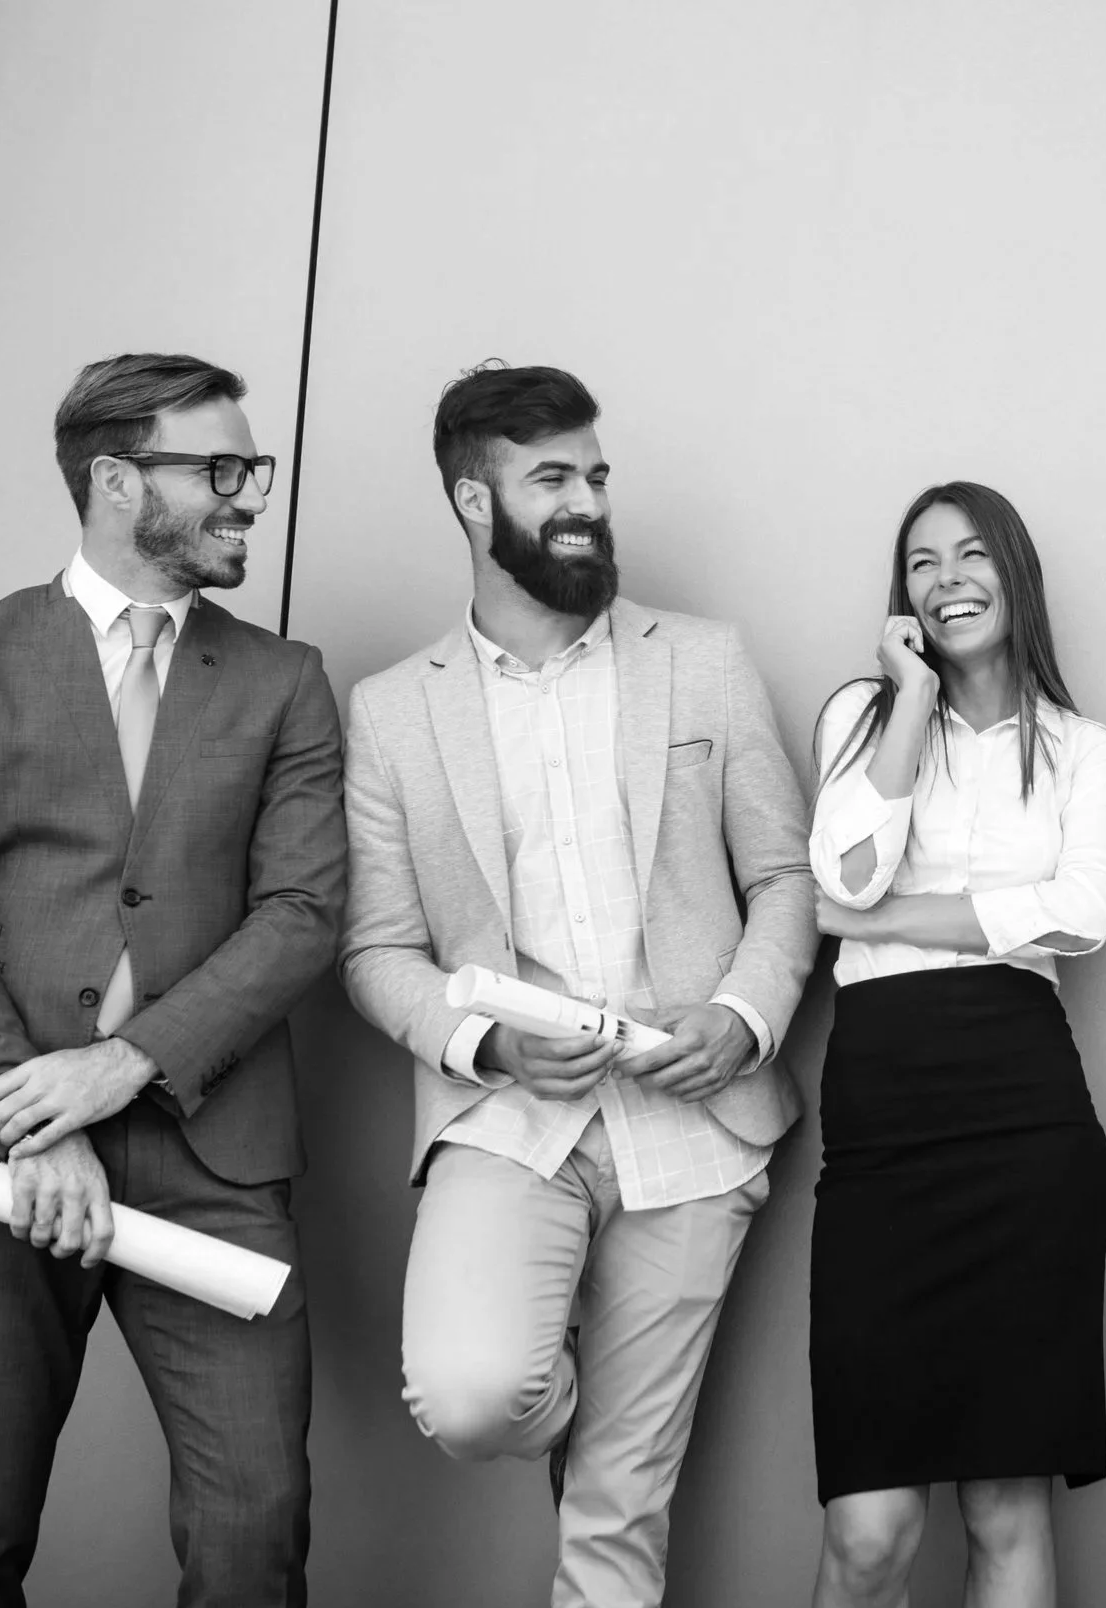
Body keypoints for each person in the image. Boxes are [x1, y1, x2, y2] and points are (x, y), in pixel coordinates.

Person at [0, 353, 344, 1606]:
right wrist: (34, 1114)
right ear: (120, 481)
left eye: (254, 469)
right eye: (221, 469)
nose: (249, 494)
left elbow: (302, 913)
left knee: (257, 1541)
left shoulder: (285, 680)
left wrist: (118, 1069)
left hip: (214, 1151)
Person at [338, 364, 816, 1608]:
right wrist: (484, 1048)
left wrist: (742, 1017)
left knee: (620, 1506)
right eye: (550, 478)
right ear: (469, 498)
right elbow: (377, 948)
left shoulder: (703, 664)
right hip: (509, 1121)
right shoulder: (392, 714)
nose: (586, 504)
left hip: (695, 1129)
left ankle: (620, 1436)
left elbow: (782, 875)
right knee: (475, 1395)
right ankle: (602, 1398)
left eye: (594, 476)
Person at [804, 482, 1106, 1608]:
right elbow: (842, 872)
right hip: (884, 1119)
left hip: (1027, 1122)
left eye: (971, 554)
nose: (948, 580)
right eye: (923, 562)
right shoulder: (859, 713)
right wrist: (906, 698)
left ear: (1015, 574)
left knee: (1005, 1506)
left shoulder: (1086, 749)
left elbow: (1084, 911)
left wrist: (890, 919)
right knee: (867, 1533)